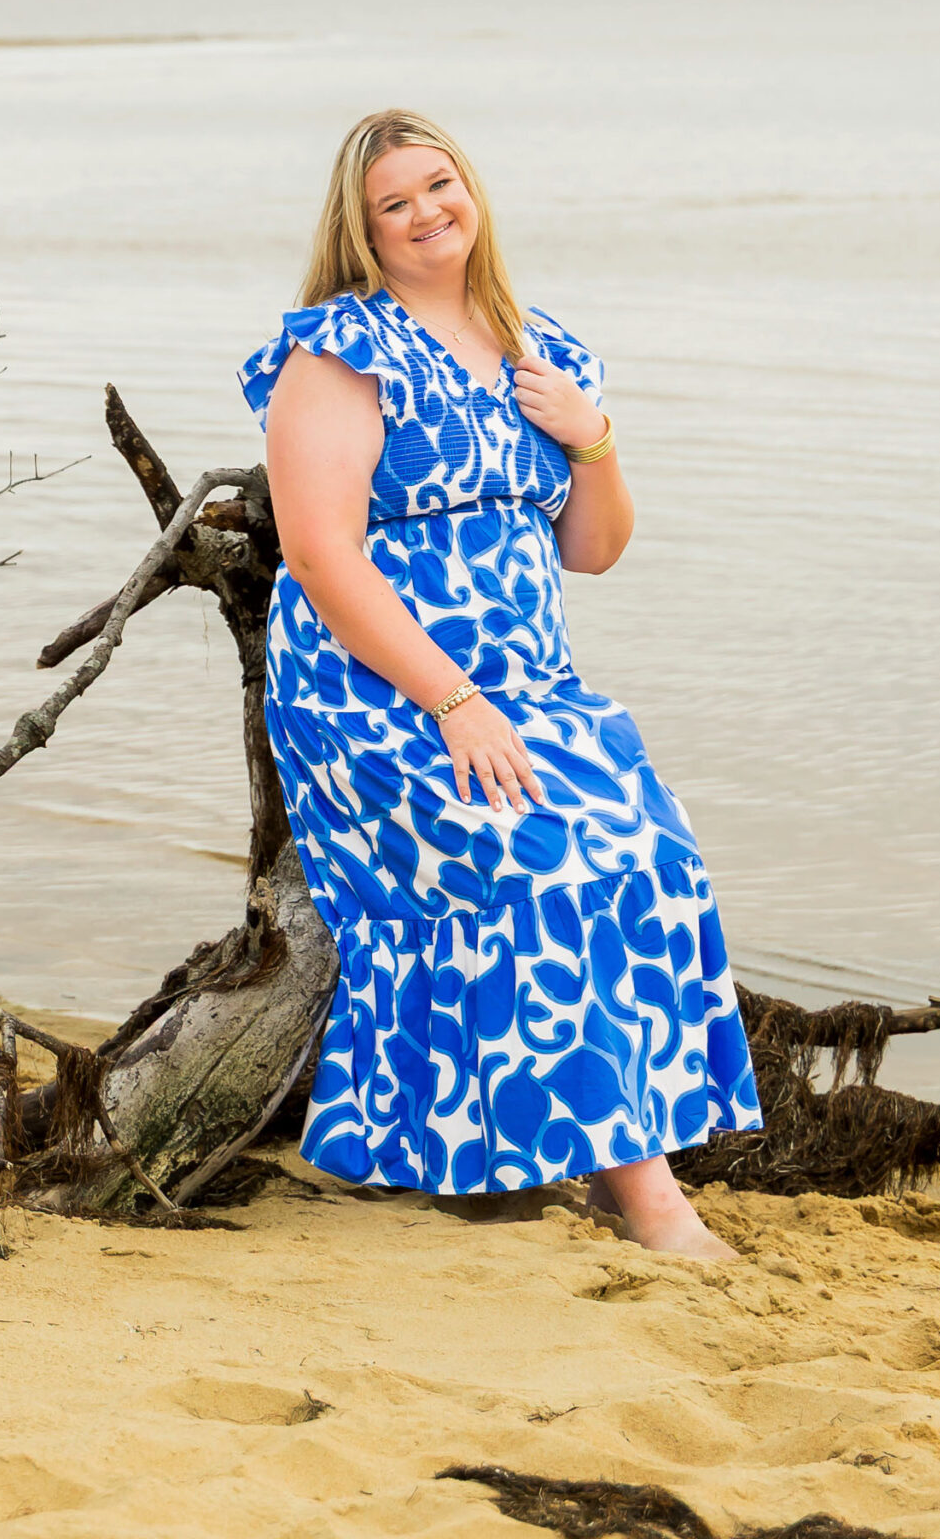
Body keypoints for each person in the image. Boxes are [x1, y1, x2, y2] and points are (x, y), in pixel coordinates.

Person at [240, 110, 761, 1259]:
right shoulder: (337, 354)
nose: (428, 211)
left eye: (440, 185)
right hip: (378, 684)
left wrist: (595, 438)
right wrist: (452, 701)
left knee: (653, 858)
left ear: (472, 191)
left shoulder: (538, 346)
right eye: (396, 201)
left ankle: (575, 1149)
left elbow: (595, 548)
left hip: (534, 679)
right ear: (362, 229)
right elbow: (322, 555)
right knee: (540, 862)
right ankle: (649, 1196)